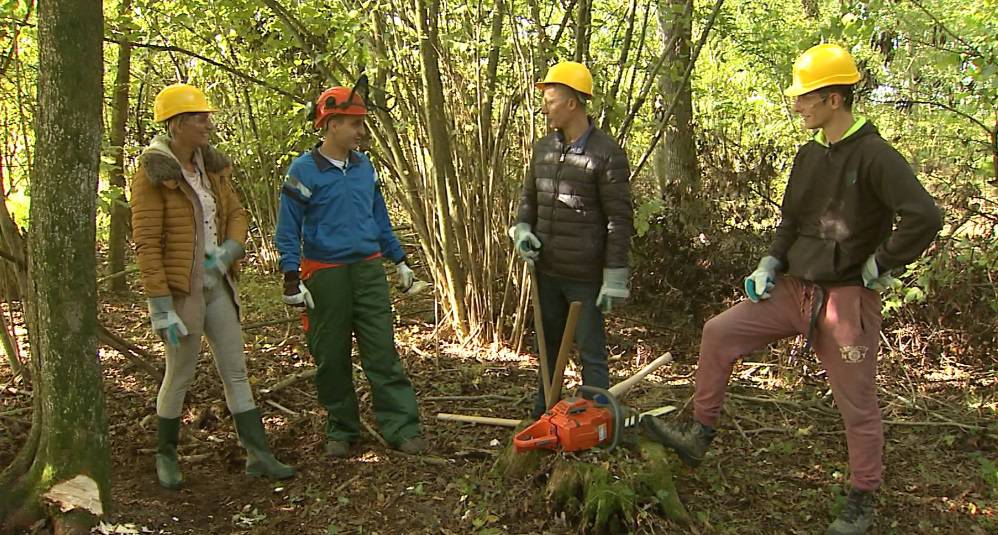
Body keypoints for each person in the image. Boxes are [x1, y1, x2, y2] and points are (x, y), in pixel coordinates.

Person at [642, 44, 943, 535]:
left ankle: (862, 496)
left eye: (805, 97)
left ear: (834, 98)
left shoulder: (876, 156)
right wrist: (768, 262)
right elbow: (790, 221)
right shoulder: (809, 155)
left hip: (846, 300)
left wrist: (881, 261)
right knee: (719, 332)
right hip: (791, 289)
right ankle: (699, 432)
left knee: (857, 404)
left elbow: (925, 217)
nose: (798, 106)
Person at [131, 83, 295, 490]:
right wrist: (159, 305)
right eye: (200, 117)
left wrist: (229, 250)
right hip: (180, 291)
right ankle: (165, 455)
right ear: (176, 124)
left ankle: (259, 455)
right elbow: (147, 245)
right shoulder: (153, 174)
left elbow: (235, 212)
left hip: (217, 283)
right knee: (180, 373)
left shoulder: (212, 166)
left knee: (236, 371)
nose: (208, 124)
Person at [275, 85, 427, 458]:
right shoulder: (303, 170)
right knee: (330, 354)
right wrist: (291, 276)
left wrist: (400, 260)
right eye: (354, 124)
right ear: (331, 123)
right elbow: (287, 228)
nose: (361, 132)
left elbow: (380, 218)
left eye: (362, 125)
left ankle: (401, 425)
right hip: (325, 273)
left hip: (369, 271)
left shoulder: (364, 168)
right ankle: (342, 428)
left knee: (382, 351)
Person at [510, 61, 634, 419]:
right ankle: (545, 415)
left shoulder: (607, 153)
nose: (545, 107)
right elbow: (528, 198)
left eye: (550, 100)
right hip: (546, 270)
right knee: (547, 349)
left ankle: (595, 420)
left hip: (584, 274)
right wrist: (522, 229)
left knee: (591, 351)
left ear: (572, 103)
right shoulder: (543, 148)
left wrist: (614, 276)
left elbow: (619, 218)